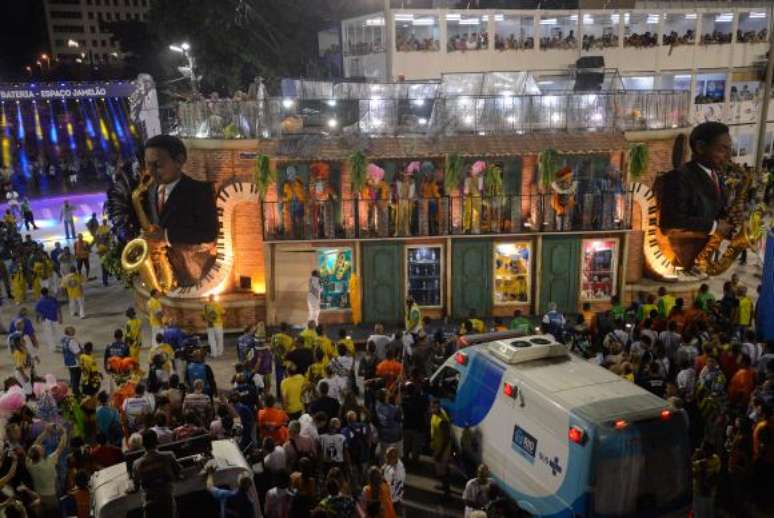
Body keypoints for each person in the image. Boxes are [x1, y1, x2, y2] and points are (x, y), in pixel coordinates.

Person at [142, 134, 218, 287]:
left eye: (157, 165)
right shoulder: (151, 190)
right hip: (163, 276)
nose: (150, 171)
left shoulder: (199, 191)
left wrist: (166, 237)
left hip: (193, 277)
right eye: (147, 165)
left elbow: (209, 236)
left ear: (179, 160)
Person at [660, 122, 733, 269]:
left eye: (729, 149)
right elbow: (670, 222)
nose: (728, 156)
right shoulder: (677, 178)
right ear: (700, 147)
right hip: (683, 259)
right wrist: (714, 226)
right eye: (722, 149)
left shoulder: (717, 175)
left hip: (705, 256)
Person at [131, 429, 183, 518]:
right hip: (167, 502)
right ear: (157, 441)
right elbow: (178, 472)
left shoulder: (137, 464)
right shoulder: (168, 456)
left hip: (149, 506)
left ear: (143, 444)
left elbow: (135, 486)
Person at [27, 423, 67, 517]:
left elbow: (34, 445)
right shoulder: (48, 462)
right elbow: (61, 446)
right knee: (53, 514)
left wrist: (46, 432)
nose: (42, 446)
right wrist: (64, 433)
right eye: (40, 448)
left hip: (39, 493)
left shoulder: (29, 464)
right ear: (40, 454)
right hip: (51, 495)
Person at [34, 287, 62, 353]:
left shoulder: (40, 301)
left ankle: (52, 348)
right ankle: (58, 345)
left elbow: (38, 312)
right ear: (48, 292)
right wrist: (60, 317)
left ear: (41, 293)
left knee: (49, 334)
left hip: (46, 320)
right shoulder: (53, 299)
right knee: (56, 332)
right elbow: (58, 309)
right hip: (54, 318)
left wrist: (37, 319)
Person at [382, 446, 406, 514]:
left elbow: (396, 491)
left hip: (393, 501)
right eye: (386, 457)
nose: (386, 460)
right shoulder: (391, 463)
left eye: (388, 458)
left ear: (394, 458)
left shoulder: (399, 473)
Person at [61, 325, 83, 396]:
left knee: (72, 375)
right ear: (70, 332)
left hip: (68, 361)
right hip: (74, 362)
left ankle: (74, 388)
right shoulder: (72, 341)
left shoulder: (64, 339)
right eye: (73, 330)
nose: (74, 331)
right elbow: (77, 352)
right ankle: (76, 391)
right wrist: (81, 361)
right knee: (76, 377)